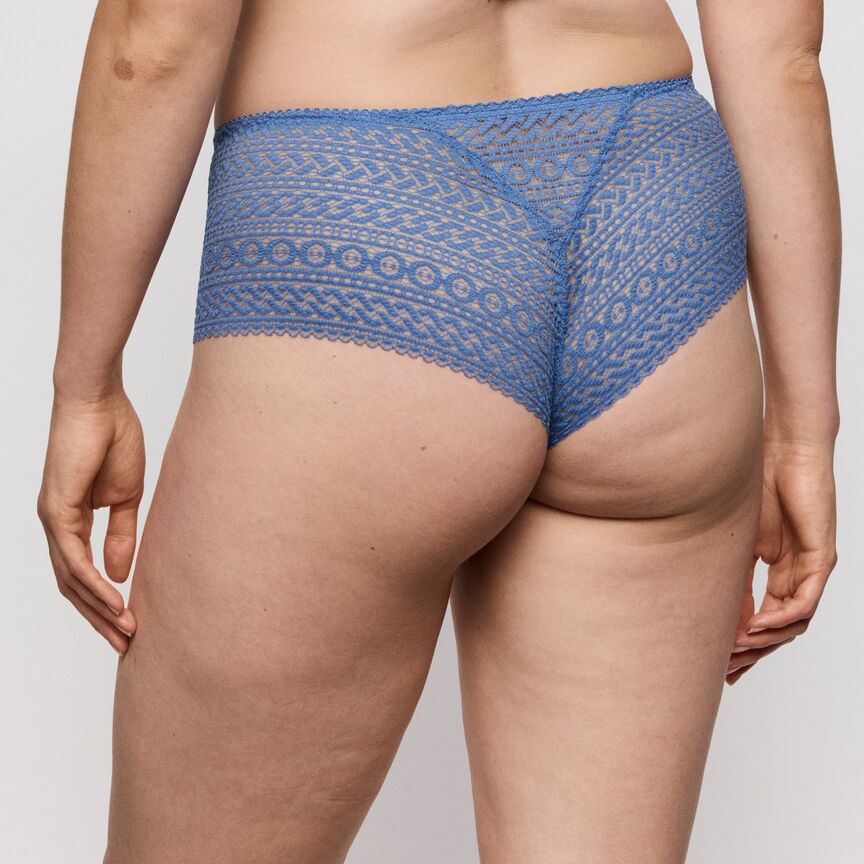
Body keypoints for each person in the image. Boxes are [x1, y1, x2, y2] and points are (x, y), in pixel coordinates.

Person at [37, 1, 840, 861]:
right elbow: (780, 56)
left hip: (363, 201)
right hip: (655, 220)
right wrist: (803, 429)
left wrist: (86, 386)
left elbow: (154, 37)